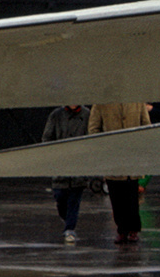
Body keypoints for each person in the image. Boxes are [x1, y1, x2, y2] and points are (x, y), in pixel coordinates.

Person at [88, 102, 150, 244]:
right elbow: (93, 129)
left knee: (132, 197)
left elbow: (146, 125)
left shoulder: (137, 101)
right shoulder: (101, 104)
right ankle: (122, 230)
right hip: (112, 157)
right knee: (116, 197)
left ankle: (133, 229)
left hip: (132, 157)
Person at [42, 104, 91, 243]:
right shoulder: (56, 115)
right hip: (60, 165)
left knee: (74, 198)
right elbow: (47, 137)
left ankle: (70, 229)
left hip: (79, 165)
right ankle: (68, 220)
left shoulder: (87, 114)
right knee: (60, 197)